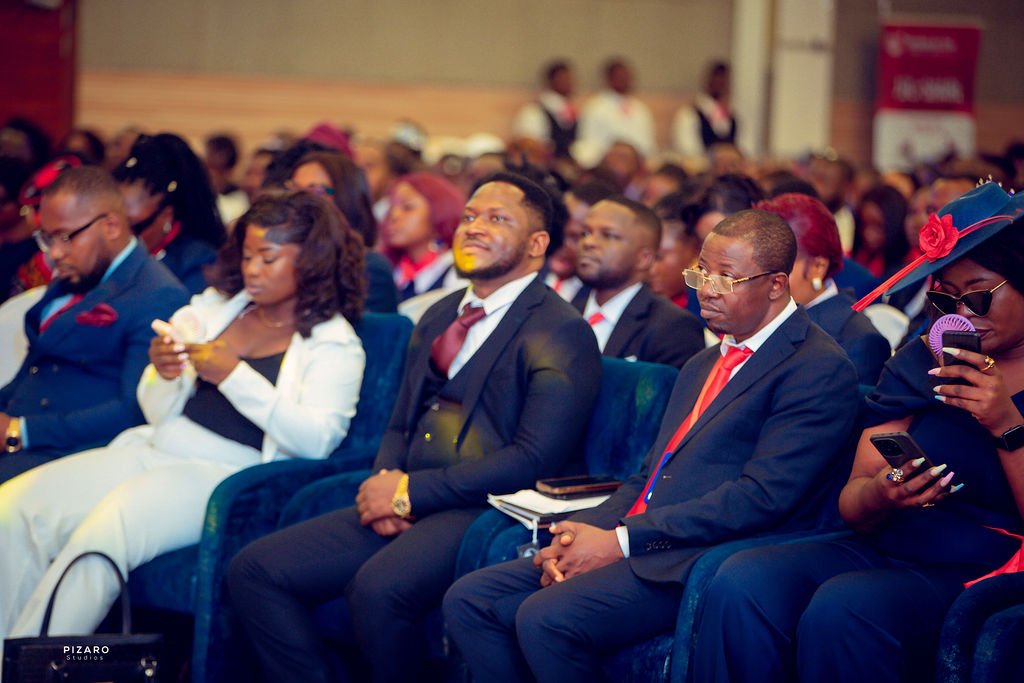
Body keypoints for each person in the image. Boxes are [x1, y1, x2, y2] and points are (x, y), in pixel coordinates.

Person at [443, 209, 860, 682]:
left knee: (545, 618)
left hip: (700, 556)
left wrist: (621, 541)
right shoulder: (703, 363)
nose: (705, 290)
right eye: (700, 273)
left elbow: (761, 498)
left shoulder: (816, 368)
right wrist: (581, 533)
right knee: (471, 600)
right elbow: (649, 476)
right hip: (645, 539)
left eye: (724, 278)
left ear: (775, 285)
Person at [228, 172, 602, 682]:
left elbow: (533, 458)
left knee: (377, 590)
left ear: (537, 244)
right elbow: (402, 420)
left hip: (486, 507)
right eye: (469, 216)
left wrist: (408, 495)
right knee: (256, 570)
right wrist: (386, 481)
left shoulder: (560, 329)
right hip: (409, 492)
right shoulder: (441, 313)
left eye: (496, 218)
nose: (474, 227)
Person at [0, 190, 366, 665]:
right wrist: (164, 372)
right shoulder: (218, 307)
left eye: (268, 258)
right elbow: (153, 408)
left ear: (312, 261)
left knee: (104, 534)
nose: (253, 270)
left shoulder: (334, 343)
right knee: (17, 506)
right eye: (248, 256)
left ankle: (30, 668)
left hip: (225, 476)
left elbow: (317, 440)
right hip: (155, 446)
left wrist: (234, 376)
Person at [692, 182, 1024, 683]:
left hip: (984, 561)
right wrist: (884, 492)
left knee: (845, 608)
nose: (959, 315)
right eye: (943, 298)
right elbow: (853, 501)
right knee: (743, 579)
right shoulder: (922, 358)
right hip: (892, 538)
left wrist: (1004, 423)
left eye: (978, 296)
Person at [0, 167, 188, 483]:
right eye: (47, 238)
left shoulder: (158, 294)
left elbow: (135, 408)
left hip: (68, 456)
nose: (54, 253)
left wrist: (21, 431)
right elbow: (36, 369)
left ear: (111, 226)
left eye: (65, 237)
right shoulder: (79, 272)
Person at [758, 193, 890, 384]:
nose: (763, 277)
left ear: (817, 267)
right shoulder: (759, 317)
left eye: (778, 265)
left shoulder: (858, 341)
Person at [573, 196, 703, 368]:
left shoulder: (673, 328)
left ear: (644, 258)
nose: (589, 242)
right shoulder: (564, 311)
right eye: (585, 233)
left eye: (608, 235)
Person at [113, 133, 227, 294]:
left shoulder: (198, 262)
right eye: (111, 223)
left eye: (132, 227)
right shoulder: (103, 251)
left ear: (166, 216)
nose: (118, 235)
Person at [289, 150, 399, 312]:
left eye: (317, 192)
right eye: (294, 190)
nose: (298, 201)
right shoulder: (281, 256)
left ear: (346, 197)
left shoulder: (369, 267)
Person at [379, 171, 466, 301]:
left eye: (407, 207)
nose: (394, 216)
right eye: (391, 207)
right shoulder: (390, 269)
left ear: (439, 210)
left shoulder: (456, 272)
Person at [543, 178, 617, 302]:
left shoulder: (601, 297)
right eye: (558, 230)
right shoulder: (525, 272)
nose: (563, 244)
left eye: (577, 237)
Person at [577, 58, 656, 159]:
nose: (625, 80)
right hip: (606, 163)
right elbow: (588, 143)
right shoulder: (595, 108)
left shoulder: (640, 109)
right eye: (620, 76)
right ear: (608, 79)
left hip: (638, 162)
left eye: (627, 77)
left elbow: (647, 145)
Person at [672, 61, 739, 160]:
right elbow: (688, 152)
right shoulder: (689, 114)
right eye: (716, 79)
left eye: (723, 80)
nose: (720, 84)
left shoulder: (733, 116)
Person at [512, 59, 578, 160]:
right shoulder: (533, 112)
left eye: (570, 79)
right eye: (564, 79)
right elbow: (527, 144)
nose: (569, 83)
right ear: (551, 81)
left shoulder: (569, 109)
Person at [852, 184, 909, 279]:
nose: (868, 234)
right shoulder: (855, 256)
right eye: (864, 224)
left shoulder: (906, 268)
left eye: (878, 226)